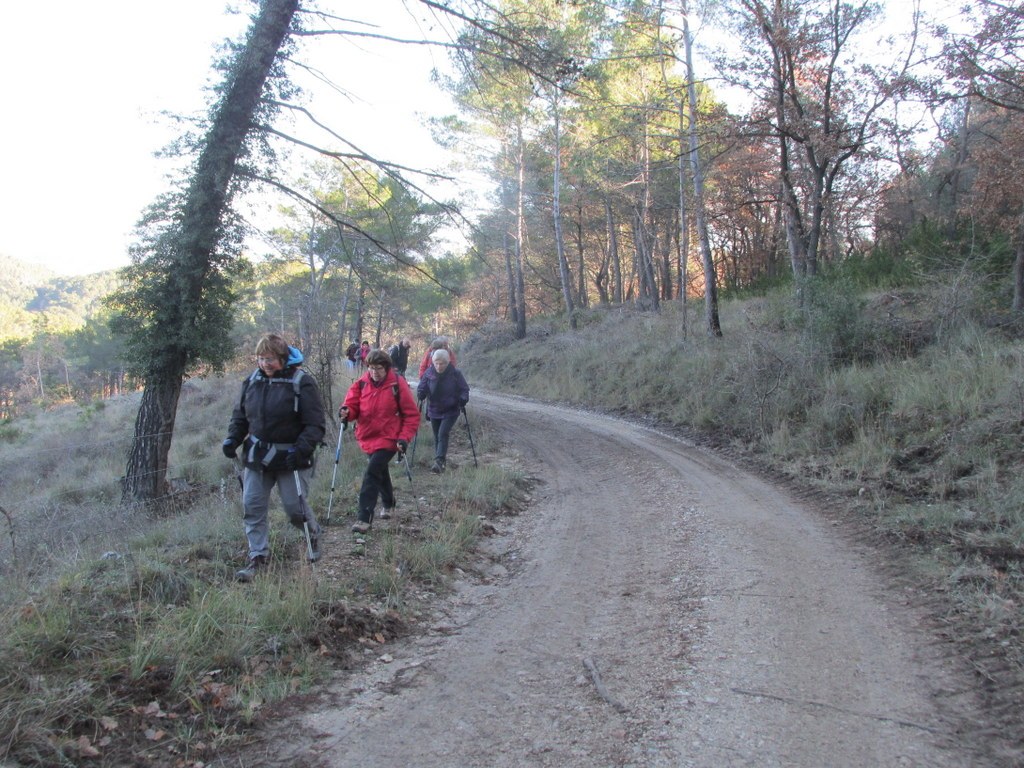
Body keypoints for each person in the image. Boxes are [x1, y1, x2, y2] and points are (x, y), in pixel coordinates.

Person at [223, 334, 326, 582]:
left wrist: (300, 450)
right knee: (252, 506)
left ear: (283, 358)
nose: (265, 364)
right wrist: (232, 440)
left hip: (292, 457)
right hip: (258, 457)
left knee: (294, 509)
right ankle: (258, 558)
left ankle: (312, 533)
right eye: (260, 358)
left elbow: (315, 425)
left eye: (270, 359)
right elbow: (240, 417)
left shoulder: (302, 383)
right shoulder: (251, 382)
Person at [339, 349, 420, 533]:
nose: (374, 372)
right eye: (371, 368)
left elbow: (411, 415)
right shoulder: (361, 384)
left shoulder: (397, 384)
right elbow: (352, 406)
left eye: (379, 369)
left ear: (387, 367)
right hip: (367, 436)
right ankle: (389, 503)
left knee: (372, 472)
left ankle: (363, 518)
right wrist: (346, 412)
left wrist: (404, 437)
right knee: (380, 471)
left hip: (389, 436)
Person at [416, 348, 470, 474]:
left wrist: (463, 399)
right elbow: (422, 387)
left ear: (448, 362)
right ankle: (440, 462)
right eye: (436, 363)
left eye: (442, 363)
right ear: (433, 362)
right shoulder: (429, 373)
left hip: (451, 409)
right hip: (434, 409)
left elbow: (464, 389)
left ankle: (439, 461)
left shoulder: (455, 373)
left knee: (442, 433)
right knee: (437, 436)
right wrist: (421, 393)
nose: (439, 366)